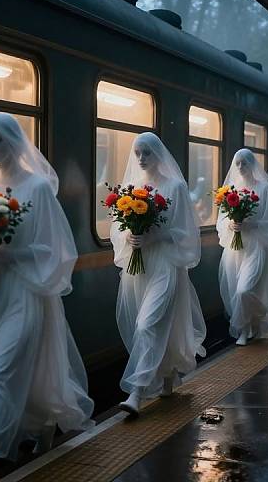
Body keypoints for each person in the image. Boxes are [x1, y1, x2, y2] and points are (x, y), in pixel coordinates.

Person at [0, 113, 94, 482]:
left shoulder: (36, 188)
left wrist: (8, 256)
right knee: (19, 371)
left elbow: (56, 249)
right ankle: (47, 423)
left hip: (25, 293)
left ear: (15, 141)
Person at [110, 132, 206, 416]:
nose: (141, 158)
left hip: (166, 264)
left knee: (147, 324)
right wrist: (130, 236)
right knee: (162, 324)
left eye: (147, 153)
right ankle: (167, 377)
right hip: (139, 267)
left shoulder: (175, 187)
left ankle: (137, 394)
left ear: (158, 154)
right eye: (137, 152)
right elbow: (118, 228)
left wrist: (155, 238)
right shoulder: (130, 188)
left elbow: (185, 232)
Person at [217, 149, 268, 346]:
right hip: (235, 248)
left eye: (244, 163)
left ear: (252, 164)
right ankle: (248, 325)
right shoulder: (230, 190)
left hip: (256, 247)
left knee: (244, 290)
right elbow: (221, 219)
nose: (240, 167)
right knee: (237, 290)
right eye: (237, 163)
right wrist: (230, 224)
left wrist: (251, 225)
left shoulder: (264, 189)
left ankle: (255, 318)